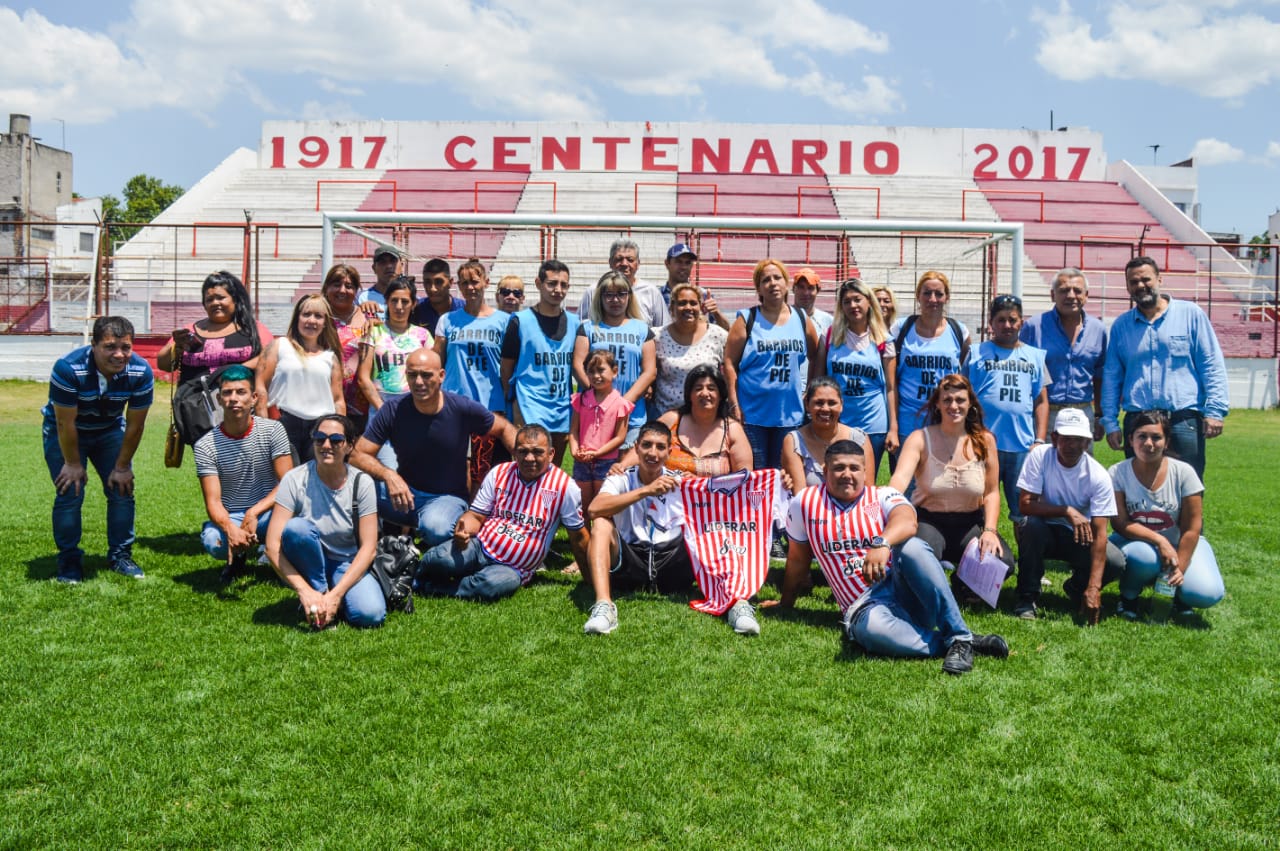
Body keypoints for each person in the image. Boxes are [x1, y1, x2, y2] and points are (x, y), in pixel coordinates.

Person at [774, 440, 1008, 676]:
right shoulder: (804, 503)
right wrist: (785, 604)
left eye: (854, 468)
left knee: (913, 548)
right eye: (839, 468)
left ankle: (957, 635)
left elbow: (907, 520)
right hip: (864, 605)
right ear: (825, 471)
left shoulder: (882, 495)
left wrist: (882, 542)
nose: (847, 474)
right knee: (871, 632)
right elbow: (797, 559)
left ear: (866, 472)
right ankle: (960, 642)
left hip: (905, 590)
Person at [350, 348, 515, 550]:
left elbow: (504, 427)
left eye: (426, 375)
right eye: (412, 375)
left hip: (446, 498)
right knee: (351, 488)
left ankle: (430, 538)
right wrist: (388, 475)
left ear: (441, 376)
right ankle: (358, 547)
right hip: (404, 496)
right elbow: (357, 455)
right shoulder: (393, 409)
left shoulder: (460, 408)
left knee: (435, 528)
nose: (419, 382)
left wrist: (526, 461)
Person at [417, 425, 589, 601]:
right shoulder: (499, 473)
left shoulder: (565, 486)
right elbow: (476, 515)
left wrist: (590, 579)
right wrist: (464, 531)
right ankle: (414, 574)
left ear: (551, 454)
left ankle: (434, 587)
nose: (529, 458)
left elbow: (578, 537)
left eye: (537, 452)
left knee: (491, 585)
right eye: (523, 452)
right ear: (514, 452)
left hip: (514, 568)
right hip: (481, 547)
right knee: (442, 559)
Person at [43, 316, 153, 583]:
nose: (119, 354)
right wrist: (72, 463)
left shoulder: (140, 371)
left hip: (109, 429)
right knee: (70, 491)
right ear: (93, 345)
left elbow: (135, 426)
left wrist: (122, 466)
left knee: (122, 490)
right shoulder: (68, 368)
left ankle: (121, 555)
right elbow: (64, 422)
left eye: (125, 347)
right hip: (68, 431)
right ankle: (69, 561)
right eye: (110, 347)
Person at [1101, 256, 1228, 479]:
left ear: (1160, 278)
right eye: (1134, 282)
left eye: (1146, 279)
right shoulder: (1121, 326)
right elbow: (1112, 377)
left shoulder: (1191, 315)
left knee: (1188, 487)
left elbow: (1211, 364)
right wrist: (1110, 422)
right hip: (1138, 420)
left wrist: (1215, 411)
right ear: (1128, 287)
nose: (1141, 285)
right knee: (1139, 488)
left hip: (1183, 420)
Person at [890, 374, 1014, 590]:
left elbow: (992, 492)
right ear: (937, 404)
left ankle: (962, 583)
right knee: (918, 558)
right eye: (947, 400)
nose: (953, 405)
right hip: (928, 521)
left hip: (969, 523)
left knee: (1003, 563)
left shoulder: (985, 441)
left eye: (960, 400)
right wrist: (888, 501)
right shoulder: (919, 438)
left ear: (971, 404)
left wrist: (990, 531)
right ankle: (929, 583)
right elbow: (900, 479)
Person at [264, 414, 384, 629]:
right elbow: (272, 546)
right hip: (307, 559)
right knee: (296, 529)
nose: (326, 445)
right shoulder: (294, 478)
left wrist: (337, 595)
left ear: (349, 446)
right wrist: (305, 591)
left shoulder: (362, 483)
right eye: (320, 438)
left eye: (336, 440)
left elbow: (369, 548)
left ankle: (330, 599)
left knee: (370, 615)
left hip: (346, 561)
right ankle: (318, 593)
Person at [1108, 410, 1224, 620]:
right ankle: (1128, 597)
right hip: (1135, 542)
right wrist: (1160, 541)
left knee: (1208, 593)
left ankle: (1180, 594)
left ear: (1167, 441)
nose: (1149, 443)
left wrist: (1179, 566)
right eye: (1142, 436)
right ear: (1131, 440)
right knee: (1143, 557)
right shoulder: (1117, 472)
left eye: (1156, 437)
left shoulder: (1184, 472)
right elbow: (1120, 523)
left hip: (1181, 542)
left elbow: (1192, 527)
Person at [582, 420, 693, 635]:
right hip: (631, 562)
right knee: (602, 524)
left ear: (669, 452)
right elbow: (594, 509)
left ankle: (730, 598)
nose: (653, 453)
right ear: (636, 448)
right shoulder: (622, 477)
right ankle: (604, 605)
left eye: (660, 447)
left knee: (703, 529)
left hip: (672, 563)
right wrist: (645, 491)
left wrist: (696, 487)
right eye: (647, 445)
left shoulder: (680, 482)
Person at [1014, 408, 1125, 623]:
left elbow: (1101, 534)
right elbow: (1025, 505)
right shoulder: (1040, 455)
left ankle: (1078, 588)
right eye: (1066, 438)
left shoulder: (1099, 476)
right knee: (1030, 526)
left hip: (1077, 535)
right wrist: (1066, 511)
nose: (1072, 446)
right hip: (1043, 529)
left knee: (1115, 561)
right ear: (1054, 438)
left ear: (1087, 442)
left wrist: (1094, 586)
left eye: (1078, 439)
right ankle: (1027, 597)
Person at [194, 365, 294, 583]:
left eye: (241, 392)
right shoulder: (205, 445)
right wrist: (230, 527)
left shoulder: (273, 430)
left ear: (254, 398)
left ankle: (281, 556)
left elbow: (288, 483)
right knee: (214, 542)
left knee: (295, 527)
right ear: (219, 399)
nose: (234, 399)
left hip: (268, 511)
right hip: (232, 514)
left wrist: (254, 512)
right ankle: (236, 555)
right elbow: (213, 502)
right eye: (227, 393)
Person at [723, 258, 819, 469]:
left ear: (786, 284)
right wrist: (733, 402)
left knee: (784, 480)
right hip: (753, 417)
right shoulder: (747, 319)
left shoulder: (801, 318)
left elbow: (817, 354)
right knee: (755, 479)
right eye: (766, 280)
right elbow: (729, 362)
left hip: (791, 416)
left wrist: (811, 389)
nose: (773, 283)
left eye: (778, 278)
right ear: (758, 288)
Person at [965, 294, 1049, 525]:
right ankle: (978, 555)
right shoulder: (975, 353)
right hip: (983, 442)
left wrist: (1039, 439)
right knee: (978, 504)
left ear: (1021, 321)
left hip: (1020, 444)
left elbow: (1041, 401)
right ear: (991, 323)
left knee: (1023, 508)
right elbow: (962, 396)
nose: (1007, 325)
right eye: (1000, 320)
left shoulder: (1035, 356)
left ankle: (1027, 558)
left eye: (1012, 320)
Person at [434, 259, 511, 489]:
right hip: (455, 404)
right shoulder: (447, 320)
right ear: (458, 285)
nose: (470, 287)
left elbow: (509, 365)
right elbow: (438, 360)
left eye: (475, 281)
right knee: (460, 465)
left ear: (486, 282)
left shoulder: (504, 321)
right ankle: (462, 513)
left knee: (487, 469)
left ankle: (481, 517)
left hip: (491, 404)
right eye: (465, 282)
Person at [501, 259, 580, 466]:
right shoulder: (519, 321)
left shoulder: (575, 323)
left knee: (553, 472)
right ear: (538, 283)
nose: (558, 290)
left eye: (563, 285)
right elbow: (506, 368)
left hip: (561, 410)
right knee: (528, 468)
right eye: (552, 283)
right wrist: (511, 403)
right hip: (529, 408)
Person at [890, 270, 971, 466]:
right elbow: (891, 382)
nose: (932, 299)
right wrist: (893, 426)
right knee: (907, 483)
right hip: (908, 419)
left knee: (941, 481)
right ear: (918, 296)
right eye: (926, 293)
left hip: (944, 419)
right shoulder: (901, 329)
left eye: (939, 294)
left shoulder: (959, 331)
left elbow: (964, 379)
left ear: (947, 297)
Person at [818, 277, 897, 470]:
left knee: (866, 480)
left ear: (869, 301)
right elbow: (818, 381)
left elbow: (890, 388)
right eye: (846, 301)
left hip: (873, 424)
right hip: (838, 421)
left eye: (857, 299)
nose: (853, 305)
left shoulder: (883, 340)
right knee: (836, 477)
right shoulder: (830, 336)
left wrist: (893, 428)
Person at [617, 365, 752, 477]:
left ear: (721, 395)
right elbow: (643, 446)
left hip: (715, 505)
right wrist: (621, 467)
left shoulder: (732, 429)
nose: (705, 393)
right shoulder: (672, 420)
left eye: (711, 388)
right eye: (698, 388)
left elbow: (744, 478)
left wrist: (701, 485)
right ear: (689, 395)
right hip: (666, 501)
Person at [255, 294, 345, 463]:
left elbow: (338, 400)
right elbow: (260, 387)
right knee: (286, 481)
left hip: (320, 428)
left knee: (315, 481)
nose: (312, 320)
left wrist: (340, 432)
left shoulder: (330, 357)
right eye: (306, 314)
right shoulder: (279, 346)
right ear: (297, 317)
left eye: (318, 316)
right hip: (283, 424)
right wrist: (263, 425)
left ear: (325, 322)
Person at [1019, 267, 1106, 441]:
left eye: (1077, 291)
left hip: (1083, 412)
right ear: (1053, 295)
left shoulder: (1098, 330)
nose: (1071, 295)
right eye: (1064, 290)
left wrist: (1099, 415)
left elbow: (1100, 375)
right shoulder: (1033, 327)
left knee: (1081, 465)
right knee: (1042, 463)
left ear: (1086, 295)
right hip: (1045, 413)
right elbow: (1022, 374)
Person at [572, 270, 656, 446]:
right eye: (609, 294)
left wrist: (624, 402)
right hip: (594, 411)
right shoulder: (588, 328)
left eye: (621, 294)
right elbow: (578, 365)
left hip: (631, 414)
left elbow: (649, 371)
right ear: (600, 298)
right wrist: (598, 395)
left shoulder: (642, 330)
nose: (615, 300)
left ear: (629, 296)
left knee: (625, 470)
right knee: (592, 467)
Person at [156, 270, 272, 390]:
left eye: (221, 298)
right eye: (209, 299)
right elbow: (164, 365)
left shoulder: (254, 329)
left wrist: (233, 373)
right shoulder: (190, 330)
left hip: (237, 403)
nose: (215, 303)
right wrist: (176, 346)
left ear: (236, 300)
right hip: (193, 404)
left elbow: (269, 358)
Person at [569, 348, 634, 510]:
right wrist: (574, 451)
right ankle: (584, 535)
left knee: (602, 506)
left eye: (601, 370)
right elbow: (574, 430)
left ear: (614, 371)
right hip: (582, 460)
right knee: (582, 504)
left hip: (606, 461)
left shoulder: (621, 404)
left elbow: (620, 437)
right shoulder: (582, 399)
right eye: (591, 371)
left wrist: (597, 453)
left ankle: (602, 534)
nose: (596, 376)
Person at [780, 377, 872, 490]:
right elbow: (799, 496)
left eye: (832, 403)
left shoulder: (859, 439)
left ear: (841, 405)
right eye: (819, 403)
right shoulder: (794, 442)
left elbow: (868, 492)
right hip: (809, 507)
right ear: (807, 404)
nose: (825, 409)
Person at [357, 276, 433, 411]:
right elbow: (363, 378)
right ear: (386, 301)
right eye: (394, 300)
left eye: (405, 301)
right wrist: (383, 410)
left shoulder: (423, 335)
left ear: (413, 304)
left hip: (415, 406)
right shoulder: (373, 332)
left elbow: (433, 373)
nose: (399, 307)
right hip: (380, 406)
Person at [653, 281, 729, 415]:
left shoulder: (716, 334)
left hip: (706, 417)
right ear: (672, 308)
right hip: (666, 417)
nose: (688, 307)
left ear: (700, 307)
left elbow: (733, 364)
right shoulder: (657, 337)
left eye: (693, 303)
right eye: (682, 303)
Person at [320, 263, 370, 432]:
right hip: (323, 401)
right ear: (327, 287)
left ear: (356, 291)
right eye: (336, 284)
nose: (342, 290)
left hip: (360, 404)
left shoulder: (368, 317)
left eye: (349, 286)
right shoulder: (317, 315)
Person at [577, 238, 669, 328]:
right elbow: (579, 327)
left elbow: (663, 330)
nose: (624, 263)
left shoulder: (651, 292)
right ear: (610, 262)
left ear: (638, 264)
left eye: (630, 259)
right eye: (619, 259)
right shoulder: (593, 291)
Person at [661, 242, 728, 330]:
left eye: (688, 263)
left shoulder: (703, 295)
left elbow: (726, 330)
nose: (683, 267)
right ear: (667, 263)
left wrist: (716, 312)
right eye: (679, 262)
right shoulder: (657, 295)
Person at [410, 257, 465, 335]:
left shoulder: (465, 309)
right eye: (427, 282)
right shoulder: (415, 310)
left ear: (450, 282)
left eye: (439, 282)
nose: (433, 289)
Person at [356, 245, 401, 309]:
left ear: (402, 266)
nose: (389, 266)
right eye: (383, 262)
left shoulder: (412, 300)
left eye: (393, 261)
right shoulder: (360, 299)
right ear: (374, 268)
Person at [792, 267, 834, 335]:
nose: (805, 293)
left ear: (818, 291)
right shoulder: (783, 319)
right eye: (801, 287)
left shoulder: (829, 322)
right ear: (793, 289)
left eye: (810, 288)